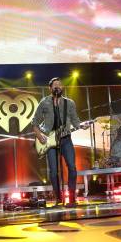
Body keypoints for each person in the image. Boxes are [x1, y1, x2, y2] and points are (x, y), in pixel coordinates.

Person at [32, 77, 82, 207]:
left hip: (65, 138)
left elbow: (76, 121)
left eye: (60, 85)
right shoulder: (44, 102)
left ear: (62, 88)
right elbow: (34, 122)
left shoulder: (69, 103)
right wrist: (40, 136)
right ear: (50, 88)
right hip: (49, 140)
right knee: (53, 171)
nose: (57, 87)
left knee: (72, 167)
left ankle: (71, 198)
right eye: (55, 85)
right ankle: (58, 198)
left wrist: (83, 125)